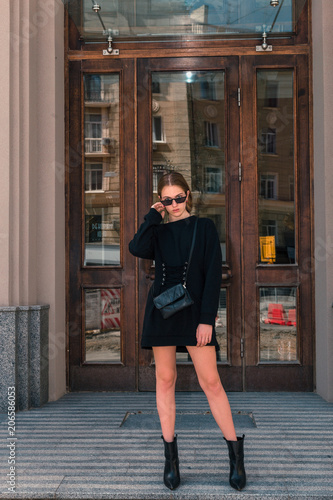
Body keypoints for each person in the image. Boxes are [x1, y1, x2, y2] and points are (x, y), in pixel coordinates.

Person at [129, 172, 246, 491]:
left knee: (211, 382)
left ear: (188, 195)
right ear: (162, 202)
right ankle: (171, 460)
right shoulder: (158, 231)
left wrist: (207, 319)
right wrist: (153, 215)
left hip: (195, 315)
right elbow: (136, 248)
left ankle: (236, 456)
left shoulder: (204, 227)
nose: (175, 204)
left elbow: (212, 277)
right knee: (165, 380)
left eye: (179, 198)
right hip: (162, 313)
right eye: (167, 200)